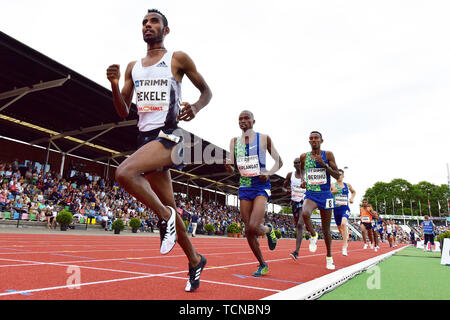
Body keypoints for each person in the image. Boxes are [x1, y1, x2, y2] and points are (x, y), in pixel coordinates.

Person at [106, 9, 212, 292]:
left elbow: (207, 92)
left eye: (154, 22)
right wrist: (115, 86)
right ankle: (195, 259)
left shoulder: (177, 59)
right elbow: (122, 110)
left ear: (166, 30)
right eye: (144, 22)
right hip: (145, 138)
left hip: (170, 136)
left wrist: (196, 107)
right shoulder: (133, 67)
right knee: (172, 206)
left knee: (124, 172)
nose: (148, 26)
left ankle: (165, 220)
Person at [225, 110, 282, 276]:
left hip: (260, 186)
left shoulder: (264, 138)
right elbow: (233, 166)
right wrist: (229, 167)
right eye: (240, 119)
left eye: (246, 118)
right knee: (248, 230)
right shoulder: (234, 141)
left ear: (253, 121)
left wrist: (269, 173)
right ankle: (262, 263)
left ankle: (268, 229)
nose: (243, 121)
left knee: (253, 226)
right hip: (244, 187)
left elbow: (279, 161)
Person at [299, 131, 341, 270]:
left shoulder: (327, 155)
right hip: (311, 194)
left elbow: (337, 176)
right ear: (309, 141)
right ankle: (313, 234)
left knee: (326, 228)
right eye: (311, 138)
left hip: (326, 195)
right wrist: (303, 180)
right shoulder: (304, 156)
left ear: (321, 140)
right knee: (305, 213)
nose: (313, 140)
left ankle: (329, 257)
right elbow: (301, 171)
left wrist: (324, 165)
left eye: (316, 138)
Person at [282, 158, 306, 261]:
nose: (297, 164)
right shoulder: (290, 175)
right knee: (298, 226)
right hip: (294, 202)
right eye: (295, 162)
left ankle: (296, 252)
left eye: (298, 162)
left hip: (304, 201)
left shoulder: (307, 175)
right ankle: (309, 230)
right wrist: (286, 190)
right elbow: (283, 187)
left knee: (300, 224)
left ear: (302, 163)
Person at [330, 169, 355, 256]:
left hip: (345, 209)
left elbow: (354, 192)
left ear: (343, 176)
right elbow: (327, 193)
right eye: (337, 174)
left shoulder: (347, 185)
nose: (339, 176)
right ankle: (346, 237)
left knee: (343, 224)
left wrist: (352, 198)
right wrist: (333, 191)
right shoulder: (333, 185)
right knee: (340, 228)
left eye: (340, 174)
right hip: (336, 210)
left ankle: (344, 247)